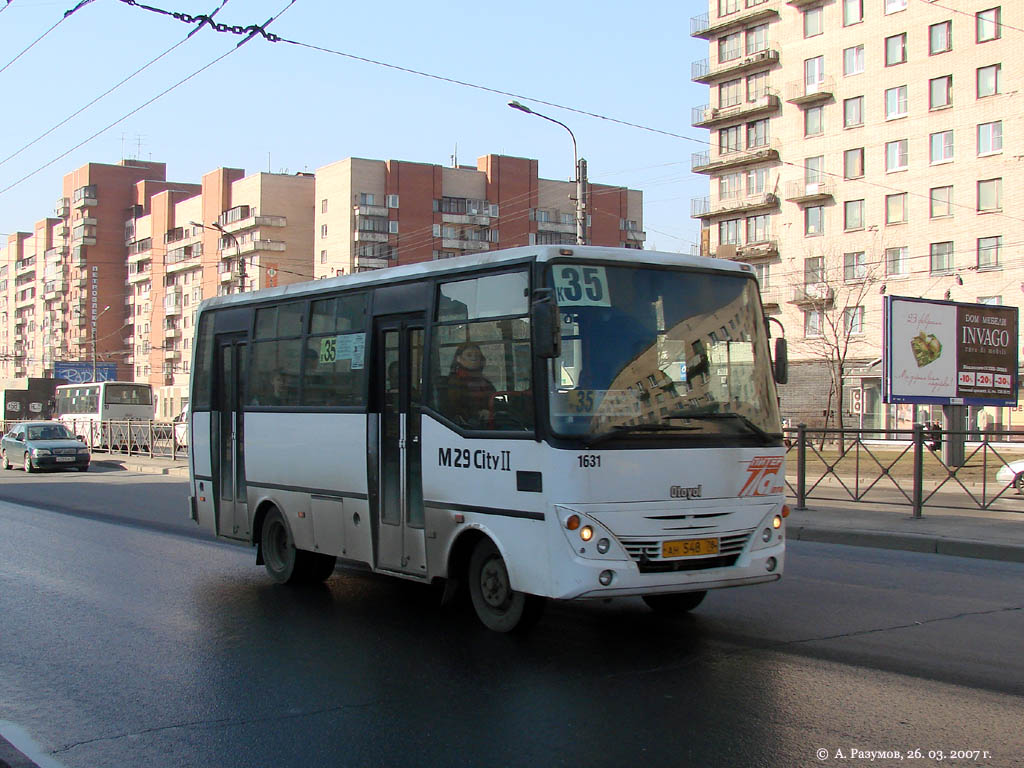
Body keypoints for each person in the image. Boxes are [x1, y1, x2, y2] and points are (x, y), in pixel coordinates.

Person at [445, 342, 495, 427]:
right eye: (469, 355)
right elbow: (452, 408)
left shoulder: (485, 382)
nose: (474, 358)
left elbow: (495, 399)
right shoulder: (453, 381)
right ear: (459, 359)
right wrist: (477, 414)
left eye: (477, 356)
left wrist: (491, 412)